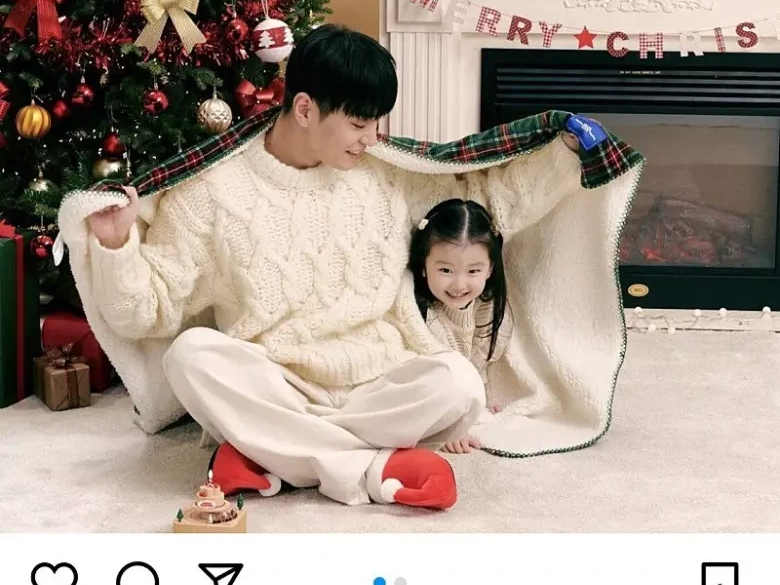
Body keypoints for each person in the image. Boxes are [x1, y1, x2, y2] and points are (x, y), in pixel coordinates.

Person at [82, 25, 587, 512]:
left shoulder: (386, 174)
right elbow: (144, 313)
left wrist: (563, 156)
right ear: (305, 108)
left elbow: (484, 201)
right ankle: (372, 468)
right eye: (359, 123)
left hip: (380, 382)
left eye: (376, 123)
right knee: (190, 356)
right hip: (280, 385)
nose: (371, 138)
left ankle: (276, 456)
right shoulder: (210, 191)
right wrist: (115, 244)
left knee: (460, 384)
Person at [409, 199, 511, 455]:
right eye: (445, 270)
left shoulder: (491, 310)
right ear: (424, 267)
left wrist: (478, 403)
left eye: (473, 271)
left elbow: (478, 366)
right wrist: (446, 426)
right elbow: (421, 380)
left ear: (490, 269)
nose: (459, 284)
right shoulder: (416, 312)